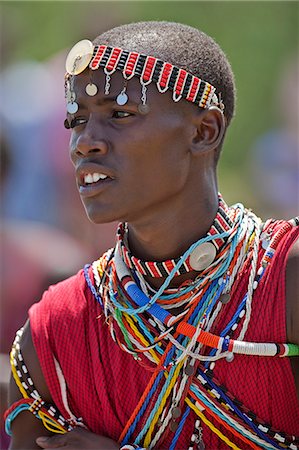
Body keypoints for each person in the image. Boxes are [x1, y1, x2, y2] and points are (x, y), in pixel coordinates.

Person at [5, 21, 299, 450]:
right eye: (76, 120)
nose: (85, 142)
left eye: (120, 114)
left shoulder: (284, 283)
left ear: (204, 132)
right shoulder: (55, 331)